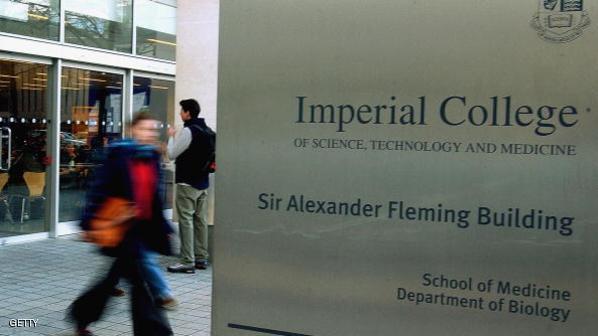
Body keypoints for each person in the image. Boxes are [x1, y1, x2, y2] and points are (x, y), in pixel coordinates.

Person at [68, 112, 174, 336]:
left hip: (142, 230)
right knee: (136, 283)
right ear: (133, 130)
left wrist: (164, 229)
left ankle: (81, 317)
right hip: (123, 228)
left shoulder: (152, 158)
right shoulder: (119, 155)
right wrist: (88, 224)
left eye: (153, 130)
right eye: (145, 129)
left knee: (114, 281)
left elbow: (154, 198)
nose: (149, 134)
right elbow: (100, 188)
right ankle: (155, 331)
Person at [167, 99, 214, 273]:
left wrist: (171, 136)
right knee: (200, 220)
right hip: (203, 183)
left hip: (187, 182)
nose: (180, 113)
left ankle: (187, 261)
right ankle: (201, 258)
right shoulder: (207, 130)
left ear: (188, 113)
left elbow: (172, 154)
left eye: (181, 111)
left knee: (186, 221)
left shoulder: (189, 131)